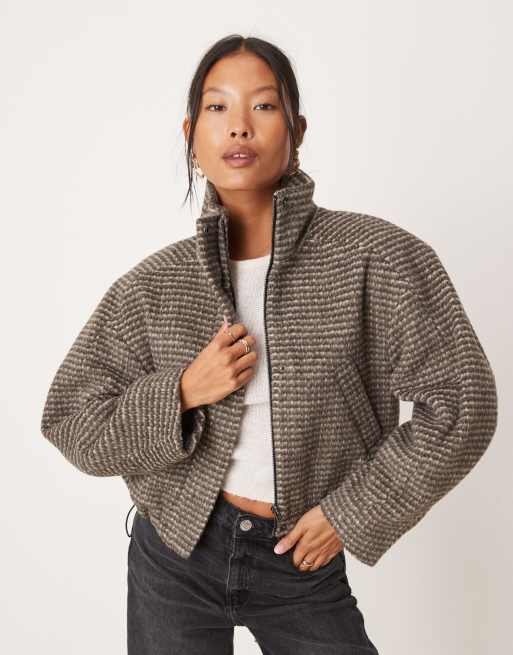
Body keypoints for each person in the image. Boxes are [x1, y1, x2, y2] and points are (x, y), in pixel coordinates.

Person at [40, 34, 498, 654]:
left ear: (297, 128)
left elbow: (463, 402)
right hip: (174, 553)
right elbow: (70, 419)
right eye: (217, 107)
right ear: (191, 134)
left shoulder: (376, 258)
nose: (239, 127)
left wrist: (351, 512)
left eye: (263, 105)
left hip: (299, 556)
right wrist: (181, 392)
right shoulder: (152, 286)